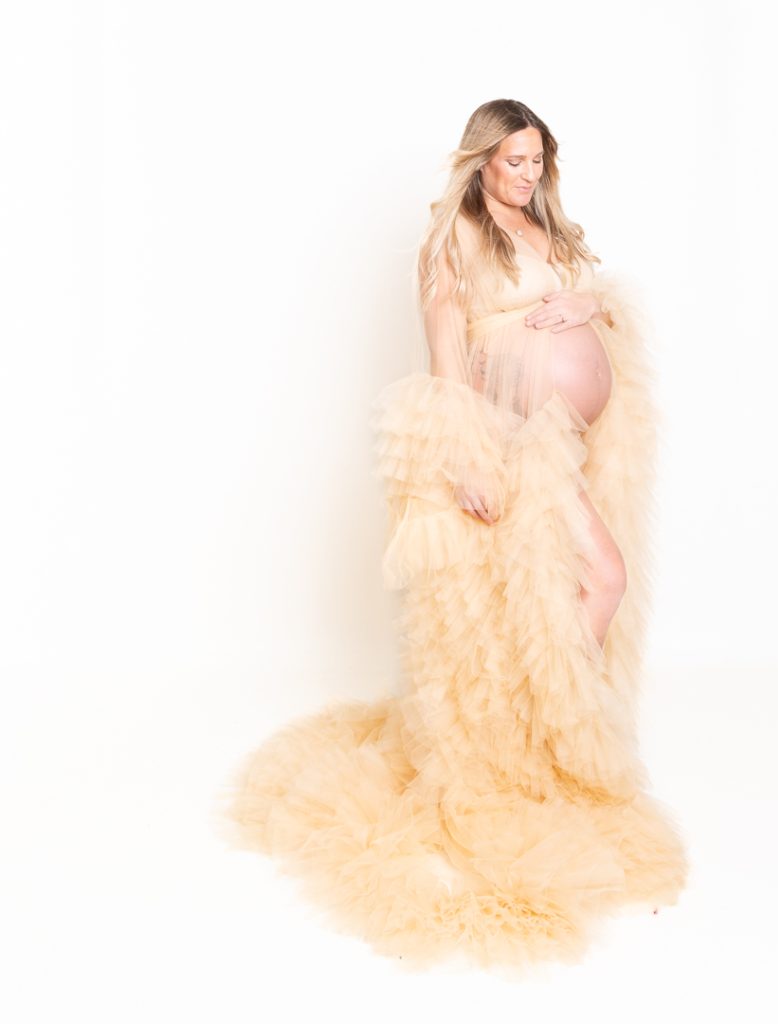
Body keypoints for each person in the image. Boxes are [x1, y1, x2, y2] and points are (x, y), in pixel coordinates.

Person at [213, 98, 689, 974]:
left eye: (538, 160)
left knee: (562, 595)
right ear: (478, 160)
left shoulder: (545, 231)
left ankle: (543, 733)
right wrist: (467, 458)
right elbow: (444, 364)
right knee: (600, 580)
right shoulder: (454, 243)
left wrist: (584, 307)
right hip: (512, 445)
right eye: (513, 161)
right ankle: (546, 737)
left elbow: (576, 315)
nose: (527, 175)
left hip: (566, 450)